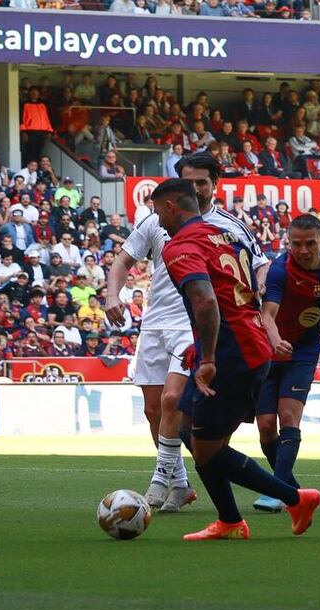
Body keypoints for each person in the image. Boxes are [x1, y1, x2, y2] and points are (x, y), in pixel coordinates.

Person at [153, 178, 320, 541]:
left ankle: (295, 498)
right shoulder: (224, 235)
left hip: (233, 351)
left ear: (170, 207)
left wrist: (210, 358)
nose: (159, 224)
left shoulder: (179, 246)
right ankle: (230, 520)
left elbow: (206, 301)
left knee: (208, 449)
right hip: (244, 340)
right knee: (187, 424)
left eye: (158, 214)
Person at [105, 197, 199, 513]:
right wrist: (111, 294)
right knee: (152, 410)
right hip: (154, 323)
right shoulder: (156, 222)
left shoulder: (221, 225)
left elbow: (254, 266)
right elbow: (122, 260)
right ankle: (182, 484)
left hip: (190, 323)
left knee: (172, 400)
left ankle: (160, 478)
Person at [253, 214, 320, 512]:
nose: (303, 250)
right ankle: (292, 490)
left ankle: (276, 492)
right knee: (266, 428)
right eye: (296, 244)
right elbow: (267, 314)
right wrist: (275, 339)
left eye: (310, 243)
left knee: (288, 417)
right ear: (288, 241)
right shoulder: (280, 270)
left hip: (303, 350)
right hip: (269, 349)